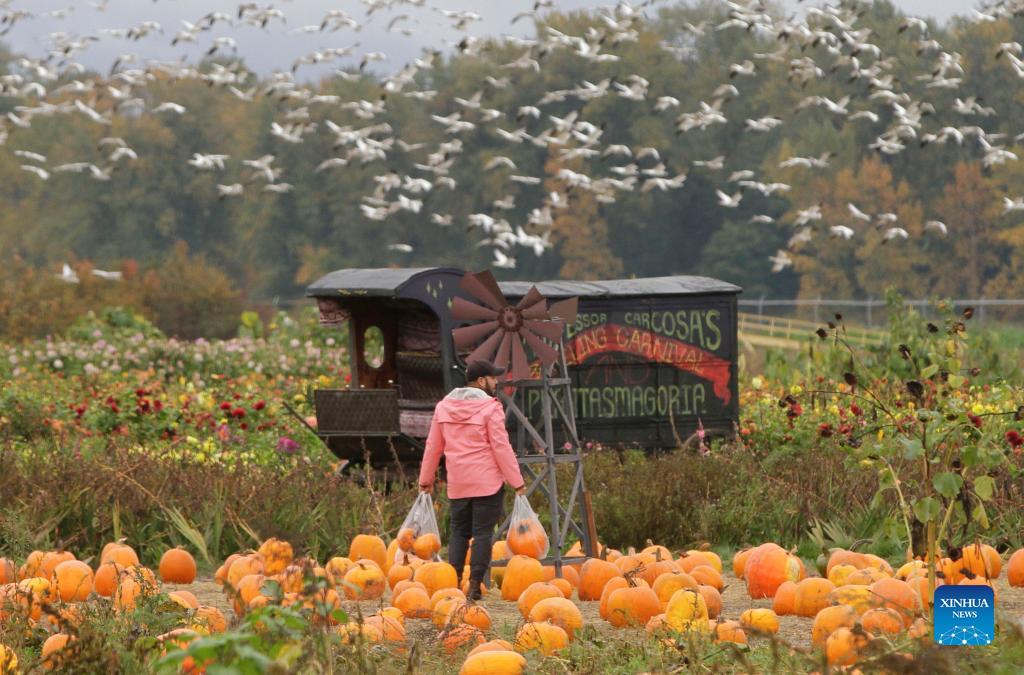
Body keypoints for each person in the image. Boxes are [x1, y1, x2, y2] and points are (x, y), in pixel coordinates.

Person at [418, 359, 525, 601]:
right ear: (481, 381)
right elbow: (501, 447)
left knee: (459, 533)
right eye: (493, 378)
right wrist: (516, 481)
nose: (496, 382)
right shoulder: (490, 408)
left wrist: (426, 479)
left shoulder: (443, 407)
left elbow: (433, 446)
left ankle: (454, 583)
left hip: (458, 484)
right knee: (483, 534)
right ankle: (475, 585)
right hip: (487, 484)